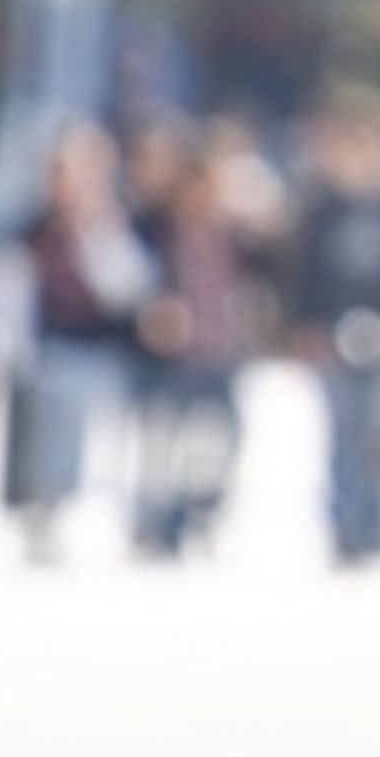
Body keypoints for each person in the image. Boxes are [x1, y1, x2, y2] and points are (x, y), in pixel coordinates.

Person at [0, 125, 156, 561]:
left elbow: (129, 290)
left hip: (104, 350)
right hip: (51, 348)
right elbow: (7, 292)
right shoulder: (31, 232)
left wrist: (97, 234)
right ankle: (45, 509)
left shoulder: (117, 225)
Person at [287, 87, 380, 565]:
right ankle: (344, 527)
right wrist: (305, 325)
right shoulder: (323, 210)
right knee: (341, 433)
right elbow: (301, 273)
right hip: (334, 332)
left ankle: (374, 523)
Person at [131, 146, 255, 557]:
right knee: (162, 444)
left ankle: (201, 515)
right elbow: (129, 283)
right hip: (170, 358)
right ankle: (157, 523)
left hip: (219, 352)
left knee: (217, 442)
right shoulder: (154, 232)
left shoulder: (235, 234)